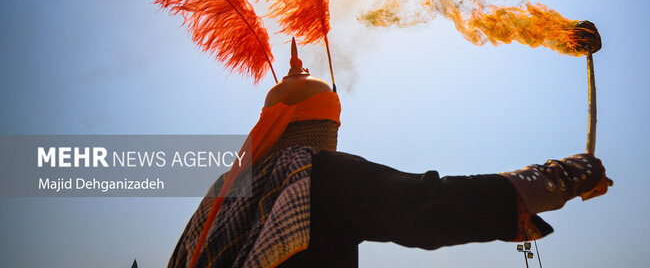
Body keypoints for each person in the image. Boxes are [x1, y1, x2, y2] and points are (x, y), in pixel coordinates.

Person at [168, 42, 609, 268]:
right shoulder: (316, 174)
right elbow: (428, 206)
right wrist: (559, 177)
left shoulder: (218, 197)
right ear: (322, 127)